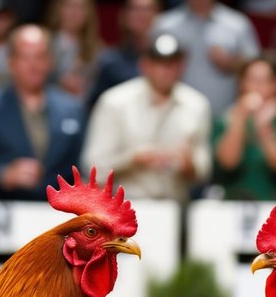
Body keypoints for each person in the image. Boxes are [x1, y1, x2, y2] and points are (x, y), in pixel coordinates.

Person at [0, 25, 86, 201]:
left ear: (50, 61)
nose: (33, 65)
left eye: (39, 57)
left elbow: (82, 163)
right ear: (10, 62)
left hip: (59, 214)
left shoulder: (72, 108)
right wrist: (3, 174)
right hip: (6, 210)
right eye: (25, 57)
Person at [82, 33, 212, 200]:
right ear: (145, 65)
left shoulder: (197, 104)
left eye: (173, 64)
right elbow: (93, 168)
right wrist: (134, 159)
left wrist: (188, 164)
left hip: (175, 205)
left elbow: (204, 170)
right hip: (126, 206)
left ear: (182, 66)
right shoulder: (114, 102)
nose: (167, 71)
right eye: (160, 64)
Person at [153, 0, 260, 114]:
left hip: (226, 114)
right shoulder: (165, 25)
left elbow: (256, 68)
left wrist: (231, 63)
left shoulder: (237, 24)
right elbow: (150, 66)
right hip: (176, 115)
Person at [212, 55, 276, 200]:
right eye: (251, 80)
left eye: (263, 80)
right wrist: (240, 116)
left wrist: (263, 127)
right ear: (241, 84)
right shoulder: (226, 120)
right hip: (233, 206)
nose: (257, 86)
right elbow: (228, 162)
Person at [89, 0, 163, 110]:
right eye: (135, 9)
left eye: (148, 9)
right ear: (124, 16)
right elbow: (96, 105)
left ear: (159, 14)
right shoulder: (109, 61)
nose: (141, 15)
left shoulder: (171, 60)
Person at [45, 0, 104, 100]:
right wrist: (60, 81)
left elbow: (100, 85)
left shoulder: (98, 48)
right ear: (59, 9)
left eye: (80, 7)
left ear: (89, 13)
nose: (74, 12)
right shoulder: (44, 43)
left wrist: (85, 87)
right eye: (69, 6)